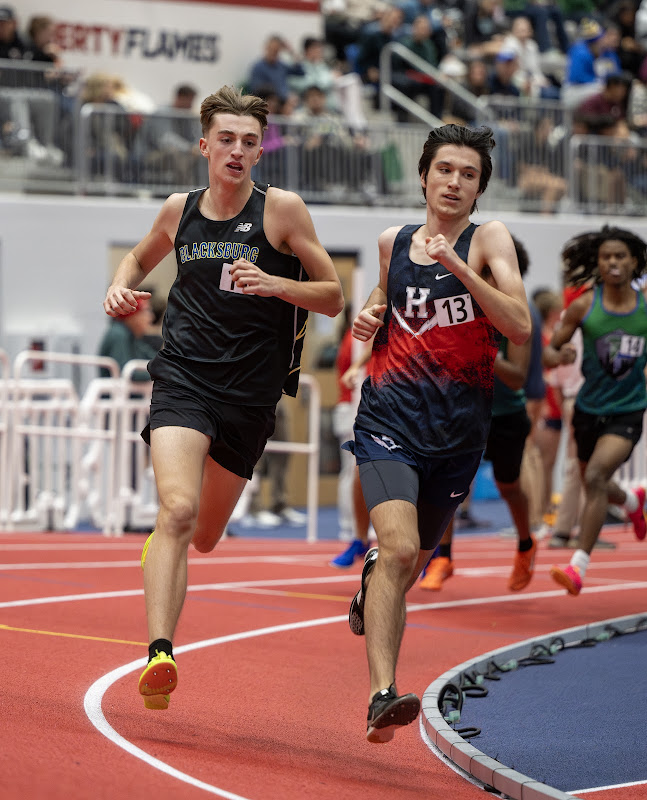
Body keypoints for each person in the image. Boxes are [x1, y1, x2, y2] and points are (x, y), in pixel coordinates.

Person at [103, 85, 344, 710]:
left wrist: (271, 283)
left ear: (260, 153)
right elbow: (137, 256)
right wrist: (120, 286)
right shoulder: (178, 209)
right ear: (204, 145)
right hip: (183, 377)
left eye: (248, 142)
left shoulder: (281, 211)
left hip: (250, 394)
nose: (237, 151)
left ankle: (166, 549)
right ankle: (160, 651)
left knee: (204, 535)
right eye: (226, 140)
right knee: (177, 511)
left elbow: (333, 293)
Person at [344, 123, 531, 743]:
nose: (454, 182)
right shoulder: (392, 239)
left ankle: (376, 576)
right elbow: (382, 296)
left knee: (410, 566)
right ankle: (382, 695)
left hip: (457, 432)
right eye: (444, 170)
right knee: (401, 551)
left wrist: (460, 267)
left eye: (468, 174)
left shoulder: (487, 240)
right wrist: (368, 316)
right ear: (423, 176)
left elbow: (521, 326)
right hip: (389, 418)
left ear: (479, 189)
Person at [421, 236, 537, 593]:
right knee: (447, 484)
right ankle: (443, 556)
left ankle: (525, 544)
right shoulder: (458, 304)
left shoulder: (520, 314)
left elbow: (517, 377)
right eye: (481, 268)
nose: (485, 276)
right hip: (460, 409)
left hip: (504, 414)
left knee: (509, 486)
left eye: (493, 270)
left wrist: (485, 349)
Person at [546, 226, 647, 596]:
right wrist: (561, 354)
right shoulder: (583, 305)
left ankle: (577, 567)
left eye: (620, 256)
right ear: (598, 262)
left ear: (634, 262)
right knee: (597, 480)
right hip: (590, 409)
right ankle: (634, 501)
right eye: (606, 257)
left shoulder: (645, 308)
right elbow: (549, 351)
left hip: (629, 410)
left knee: (597, 476)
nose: (613, 262)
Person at [98, 293, 158, 381]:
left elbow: (153, 358)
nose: (151, 318)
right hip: (116, 393)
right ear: (133, 315)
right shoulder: (118, 334)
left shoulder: (132, 336)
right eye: (147, 311)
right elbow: (127, 373)